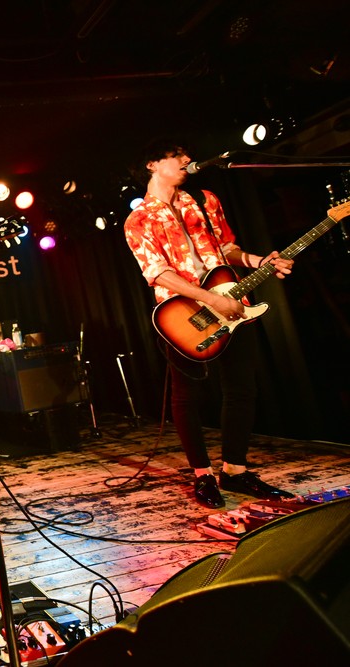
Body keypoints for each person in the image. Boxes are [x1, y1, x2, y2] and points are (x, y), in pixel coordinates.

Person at [124, 139, 296, 509]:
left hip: (232, 302)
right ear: (152, 163)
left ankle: (235, 469)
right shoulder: (138, 220)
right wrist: (211, 299)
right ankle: (202, 474)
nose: (187, 159)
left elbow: (227, 248)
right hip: (183, 315)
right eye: (176, 155)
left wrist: (259, 261)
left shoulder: (204, 200)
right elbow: (158, 273)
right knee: (187, 396)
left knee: (241, 387)